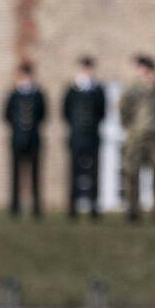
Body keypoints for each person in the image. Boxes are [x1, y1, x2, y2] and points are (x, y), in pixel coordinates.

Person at [118, 54, 155, 221]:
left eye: (149, 71)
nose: (147, 74)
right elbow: (123, 110)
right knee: (132, 173)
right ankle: (132, 210)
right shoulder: (132, 90)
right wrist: (132, 127)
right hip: (136, 138)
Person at [63, 55, 105, 218]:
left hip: (92, 136)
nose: (86, 71)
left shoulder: (97, 90)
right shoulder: (72, 90)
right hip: (76, 137)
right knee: (74, 171)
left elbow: (101, 112)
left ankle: (94, 205)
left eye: (88, 68)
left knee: (94, 172)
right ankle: (72, 206)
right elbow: (66, 112)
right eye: (83, 68)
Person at [4, 62, 46, 218]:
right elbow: (7, 115)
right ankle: (15, 206)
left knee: (35, 173)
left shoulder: (38, 94)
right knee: (15, 173)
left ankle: (36, 207)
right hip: (17, 138)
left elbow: (42, 114)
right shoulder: (13, 95)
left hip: (34, 139)